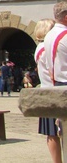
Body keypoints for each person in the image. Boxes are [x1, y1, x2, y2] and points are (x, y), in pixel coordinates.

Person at [35, 18, 61, 163]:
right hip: (53, 92)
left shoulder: (41, 48)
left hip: (48, 91)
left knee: (52, 133)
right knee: (53, 133)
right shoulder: (46, 49)